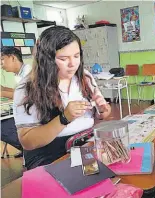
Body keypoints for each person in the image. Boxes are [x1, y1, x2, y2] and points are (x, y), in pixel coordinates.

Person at [13, 26, 111, 170]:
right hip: (49, 155)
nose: (72, 64)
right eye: (63, 59)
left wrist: (103, 111)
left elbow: (99, 114)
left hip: (85, 145)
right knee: (63, 189)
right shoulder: (28, 88)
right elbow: (27, 142)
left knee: (95, 183)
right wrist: (64, 118)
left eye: (76, 56)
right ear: (46, 59)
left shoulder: (85, 77)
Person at [1, 47, 31, 157]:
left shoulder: (28, 72)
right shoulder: (18, 74)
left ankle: (26, 148)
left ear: (13, 58)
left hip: (29, 115)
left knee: (3, 128)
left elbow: (25, 95)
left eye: (2, 59)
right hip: (21, 113)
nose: (1, 64)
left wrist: (2, 93)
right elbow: (18, 91)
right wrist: (3, 88)